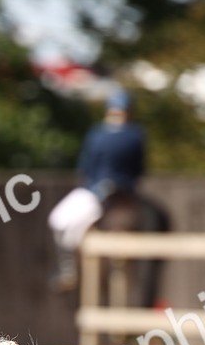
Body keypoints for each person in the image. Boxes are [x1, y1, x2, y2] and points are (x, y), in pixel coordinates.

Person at [49, 88, 146, 290]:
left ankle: (68, 270)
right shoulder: (136, 134)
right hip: (126, 192)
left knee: (58, 220)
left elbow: (87, 167)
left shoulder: (98, 134)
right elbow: (139, 170)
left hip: (97, 192)